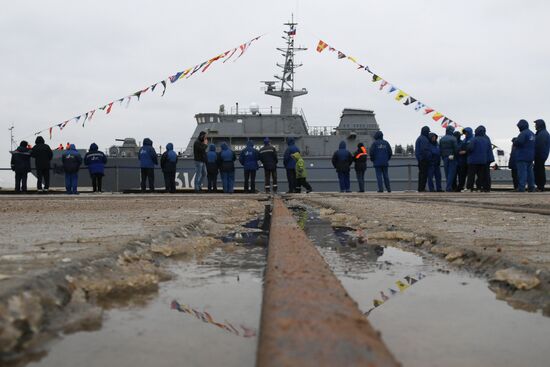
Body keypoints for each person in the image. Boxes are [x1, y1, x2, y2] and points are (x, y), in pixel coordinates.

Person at [466, 125, 491, 192]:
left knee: (471, 175)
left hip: (473, 160)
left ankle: (469, 187)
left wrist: (466, 150)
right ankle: (479, 187)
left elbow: (470, 148)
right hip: (483, 161)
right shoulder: (486, 140)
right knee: (481, 175)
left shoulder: (474, 139)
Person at [513, 119, 535, 192]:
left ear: (521, 126)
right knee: (530, 173)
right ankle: (531, 187)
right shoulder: (532, 134)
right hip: (530, 156)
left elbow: (519, 142)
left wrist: (514, 141)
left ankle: (521, 188)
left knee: (522, 173)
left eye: (519, 127)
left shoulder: (523, 133)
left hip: (522, 156)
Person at [439, 126, 458, 192]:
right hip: (452, 157)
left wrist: (443, 156)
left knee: (447, 172)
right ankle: (448, 187)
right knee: (451, 173)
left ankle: (448, 186)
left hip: (445, 157)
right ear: (451, 131)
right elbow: (456, 149)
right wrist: (455, 155)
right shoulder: (453, 139)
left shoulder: (442, 139)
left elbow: (440, 149)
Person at [534, 119, 550, 191]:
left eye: (536, 124)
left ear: (539, 125)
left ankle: (540, 187)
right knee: (539, 170)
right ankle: (540, 186)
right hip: (541, 154)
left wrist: (535, 153)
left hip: (540, 155)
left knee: (539, 170)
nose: (535, 126)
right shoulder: (542, 133)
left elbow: (539, 145)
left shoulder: (542, 134)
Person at [415, 126, 432, 192]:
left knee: (421, 174)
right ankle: (422, 188)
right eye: (428, 132)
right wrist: (428, 157)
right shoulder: (424, 139)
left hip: (420, 159)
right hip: (424, 159)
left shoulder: (419, 138)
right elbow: (424, 150)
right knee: (423, 175)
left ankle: (421, 188)